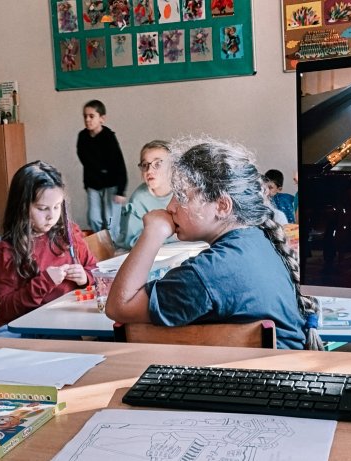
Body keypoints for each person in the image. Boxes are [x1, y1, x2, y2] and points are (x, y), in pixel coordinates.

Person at [104, 139, 324, 350]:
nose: (170, 207)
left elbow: (119, 306)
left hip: (264, 372)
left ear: (222, 206)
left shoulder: (211, 271)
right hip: (281, 367)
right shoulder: (258, 238)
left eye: (181, 196)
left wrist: (153, 233)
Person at [0, 161, 98, 337]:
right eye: (42, 209)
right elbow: (8, 309)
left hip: (62, 324)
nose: (51, 216)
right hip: (20, 328)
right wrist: (44, 282)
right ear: (22, 207)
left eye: (57, 206)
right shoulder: (6, 251)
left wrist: (85, 277)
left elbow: (95, 270)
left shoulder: (69, 235)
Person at [77, 100, 127, 238]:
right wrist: (97, 172)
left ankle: (113, 243)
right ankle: (99, 241)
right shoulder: (82, 137)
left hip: (112, 184)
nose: (87, 119)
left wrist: (121, 190)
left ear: (102, 119)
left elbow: (119, 164)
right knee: (94, 217)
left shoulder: (109, 137)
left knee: (110, 219)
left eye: (91, 116)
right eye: (85, 116)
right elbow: (84, 159)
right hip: (93, 184)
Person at [117, 140, 177, 249]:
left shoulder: (183, 191)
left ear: (173, 167)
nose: (149, 170)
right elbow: (131, 241)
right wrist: (174, 237)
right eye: (145, 165)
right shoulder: (139, 199)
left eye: (157, 164)